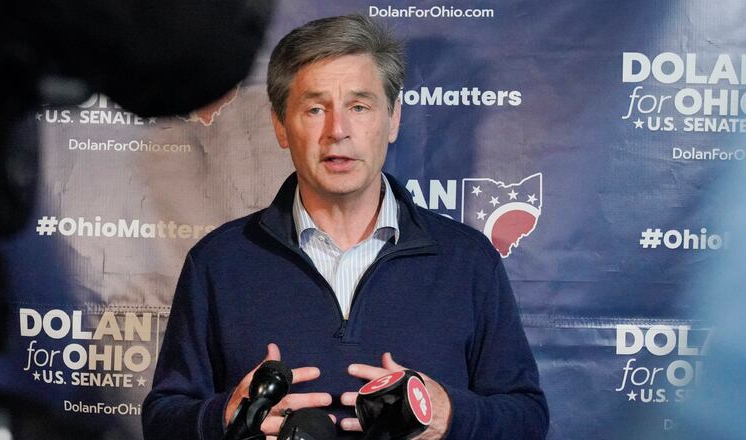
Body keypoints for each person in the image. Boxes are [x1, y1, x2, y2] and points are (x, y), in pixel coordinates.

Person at [142, 14, 548, 440]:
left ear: (393, 119)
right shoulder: (219, 262)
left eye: (359, 106)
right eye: (315, 109)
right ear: (281, 126)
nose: (338, 131)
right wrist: (223, 417)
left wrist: (454, 417)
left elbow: (528, 417)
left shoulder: (468, 261)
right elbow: (163, 418)